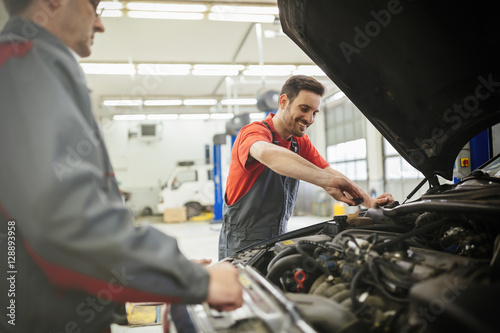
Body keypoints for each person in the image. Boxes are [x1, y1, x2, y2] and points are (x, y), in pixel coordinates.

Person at [0, 0, 242, 332]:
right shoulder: (24, 62)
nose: (99, 24)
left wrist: (155, 275)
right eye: (94, 7)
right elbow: (64, 218)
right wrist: (193, 279)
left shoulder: (27, 64)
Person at [218, 75, 394, 259]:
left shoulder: (299, 142)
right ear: (284, 101)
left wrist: (369, 202)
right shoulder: (253, 132)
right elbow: (267, 154)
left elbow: (329, 171)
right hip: (242, 241)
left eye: (315, 112)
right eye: (304, 109)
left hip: (278, 235)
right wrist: (328, 182)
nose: (309, 118)